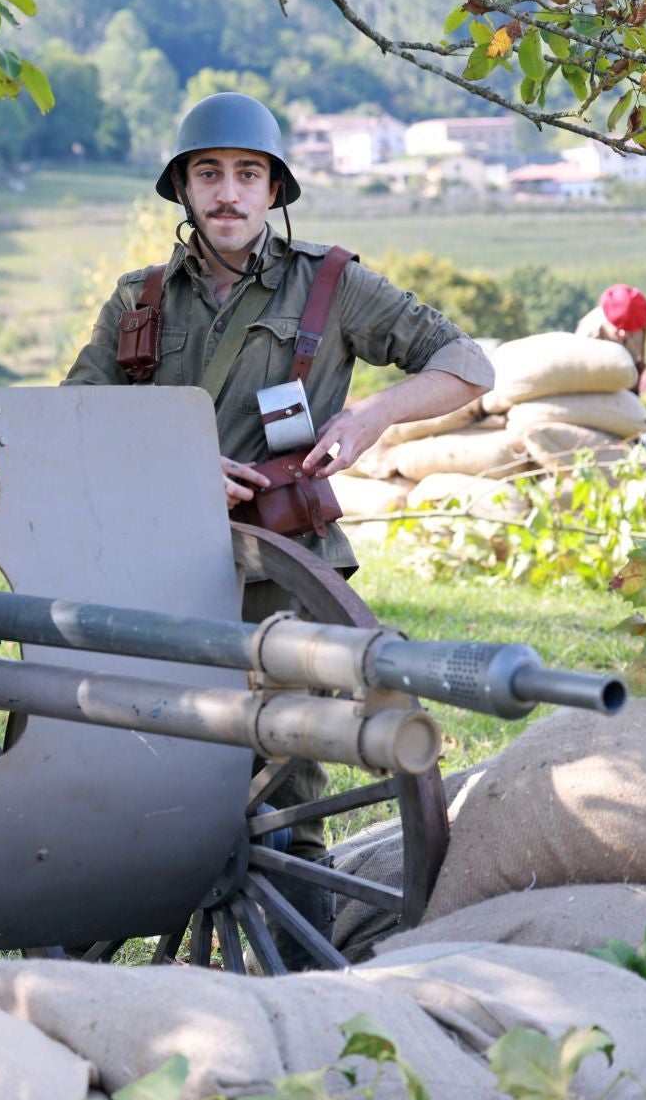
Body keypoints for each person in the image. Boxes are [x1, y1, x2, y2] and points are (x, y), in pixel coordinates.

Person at [63, 91, 495, 965]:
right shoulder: (138, 299)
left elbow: (467, 364)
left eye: (247, 175)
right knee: (152, 751)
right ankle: (104, 947)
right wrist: (172, 463)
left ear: (274, 190)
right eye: (208, 174)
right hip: (165, 567)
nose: (228, 193)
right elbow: (74, 419)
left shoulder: (331, 285)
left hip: (287, 566)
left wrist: (370, 416)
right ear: (182, 189)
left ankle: (301, 980)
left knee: (292, 774)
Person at [574, 283, 646, 395]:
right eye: (618, 329)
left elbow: (639, 360)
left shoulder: (639, 321)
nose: (623, 334)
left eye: (629, 331)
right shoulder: (589, 331)